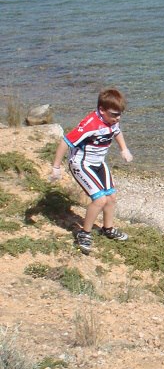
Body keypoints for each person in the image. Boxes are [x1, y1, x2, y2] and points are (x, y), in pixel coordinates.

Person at [50, 88, 133, 254]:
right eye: (114, 114)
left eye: (120, 114)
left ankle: (108, 229)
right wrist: (56, 167)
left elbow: (117, 132)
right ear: (102, 110)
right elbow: (65, 142)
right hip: (81, 164)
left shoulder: (112, 120)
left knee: (111, 197)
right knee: (100, 199)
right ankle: (84, 233)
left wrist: (124, 149)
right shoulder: (90, 125)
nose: (117, 118)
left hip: (99, 163)